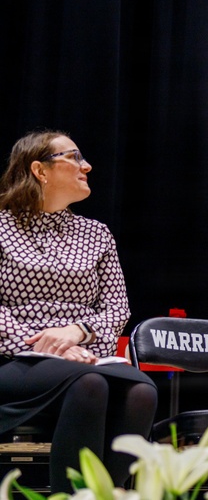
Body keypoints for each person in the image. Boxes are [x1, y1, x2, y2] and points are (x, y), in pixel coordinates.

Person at [0, 130, 158, 492]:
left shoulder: (97, 234)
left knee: (142, 392)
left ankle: (100, 497)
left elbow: (117, 307)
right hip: (12, 359)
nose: (86, 165)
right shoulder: (2, 226)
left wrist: (77, 333)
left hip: (82, 357)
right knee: (88, 384)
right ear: (40, 170)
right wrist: (44, 343)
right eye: (73, 157)